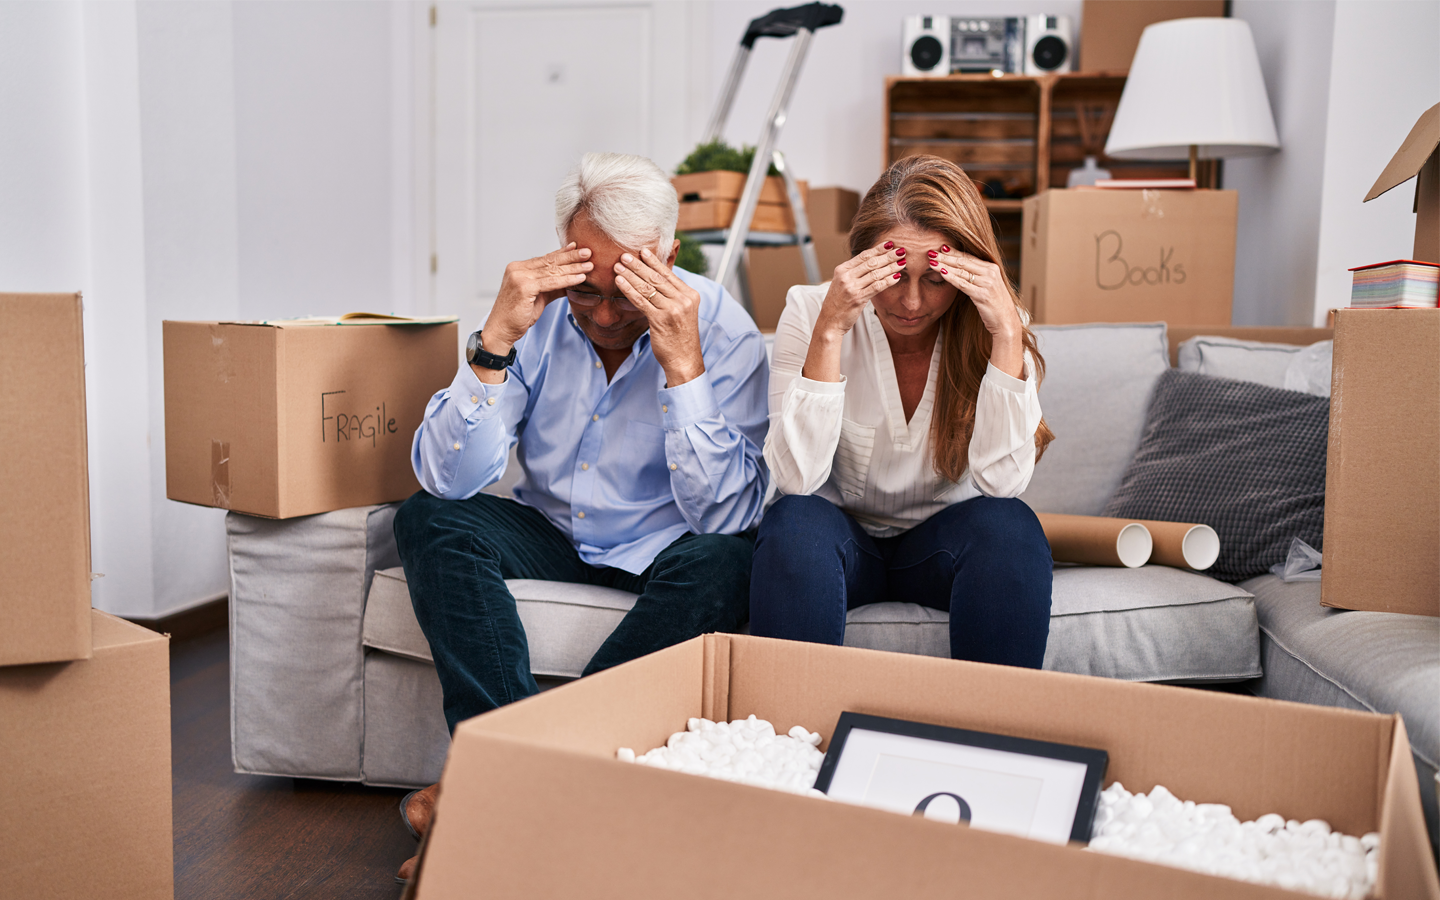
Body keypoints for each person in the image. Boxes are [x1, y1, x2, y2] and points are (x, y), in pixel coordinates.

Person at [391, 152, 769, 881]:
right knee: (430, 519)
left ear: (667, 256)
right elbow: (449, 477)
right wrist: (494, 343)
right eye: (586, 292)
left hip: (671, 542)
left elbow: (726, 515)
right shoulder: (535, 315)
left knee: (733, 559)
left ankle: (490, 788)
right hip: (555, 531)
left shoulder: (723, 331)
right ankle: (526, 777)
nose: (600, 315)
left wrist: (683, 367)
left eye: (624, 292)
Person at [749, 154, 1055, 667]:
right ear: (860, 262)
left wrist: (1005, 333)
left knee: (1011, 528)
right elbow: (795, 479)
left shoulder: (995, 325)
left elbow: (1002, 484)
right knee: (793, 523)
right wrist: (829, 333)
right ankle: (792, 738)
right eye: (893, 274)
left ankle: (993, 739)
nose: (912, 302)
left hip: (942, 547)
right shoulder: (809, 311)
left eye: (936, 279)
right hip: (840, 543)